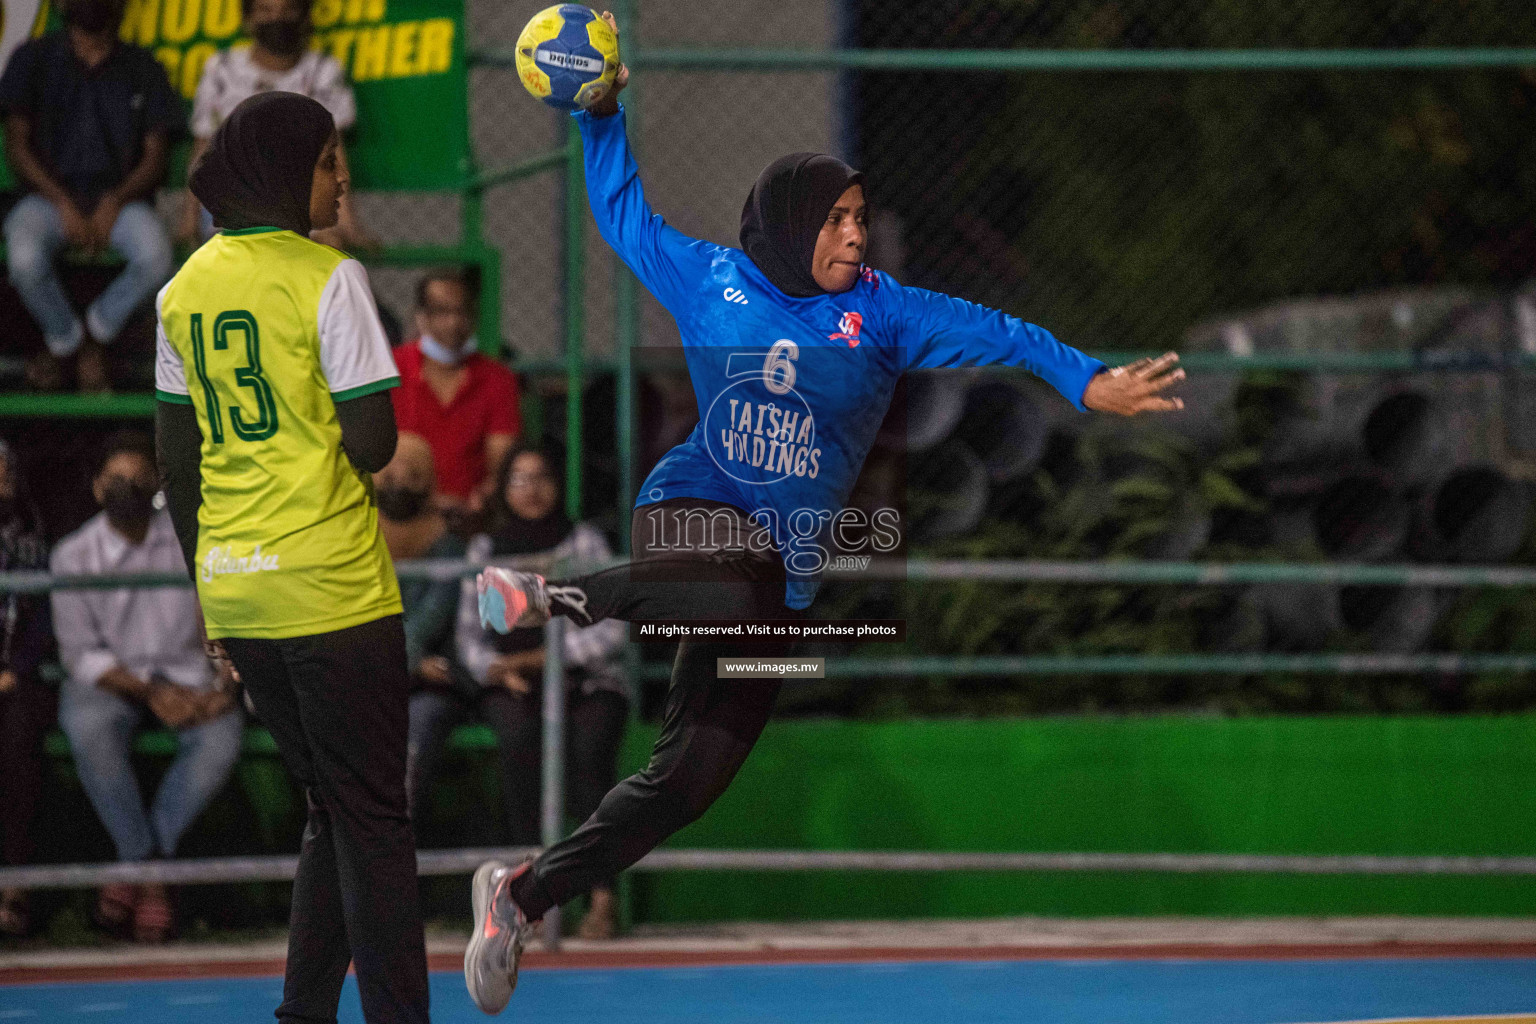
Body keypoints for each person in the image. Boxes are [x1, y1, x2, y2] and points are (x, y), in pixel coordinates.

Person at [462, 13, 1188, 1014]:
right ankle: (549, 594)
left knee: (687, 784)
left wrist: (1087, 378)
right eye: (838, 217)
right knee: (741, 564)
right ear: (792, 221)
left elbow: (1005, 330)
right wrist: (600, 114)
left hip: (775, 587)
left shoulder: (884, 312)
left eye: (861, 215)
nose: (856, 231)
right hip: (689, 517)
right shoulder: (712, 278)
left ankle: (519, 896)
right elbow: (625, 211)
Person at [154, 92, 427, 1023]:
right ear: (283, 173)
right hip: (331, 585)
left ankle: (302, 1014)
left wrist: (209, 602)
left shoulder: (180, 289)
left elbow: (177, 464)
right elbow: (375, 441)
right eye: (327, 161)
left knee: (332, 810)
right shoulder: (330, 276)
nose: (343, 178)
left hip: (237, 591)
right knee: (376, 823)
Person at [410, 444, 627, 941]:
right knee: (517, 738)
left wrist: (540, 660)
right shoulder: (487, 549)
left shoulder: (584, 542)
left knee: (591, 747)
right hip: (512, 685)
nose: (533, 490)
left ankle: (602, 897)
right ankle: (535, 898)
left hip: (584, 680)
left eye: (543, 477)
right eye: (520, 479)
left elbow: (610, 632)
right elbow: (469, 638)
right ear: (504, 489)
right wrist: (497, 669)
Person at [52, 431, 240, 943]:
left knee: (221, 740)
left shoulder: (190, 540)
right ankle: (151, 872)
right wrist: (152, 692)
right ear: (95, 488)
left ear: (158, 483)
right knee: (88, 727)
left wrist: (222, 685)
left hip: (187, 677)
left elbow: (217, 622)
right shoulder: (72, 555)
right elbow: (80, 655)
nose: (128, 487)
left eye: (138, 478)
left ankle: (134, 866)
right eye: (116, 479)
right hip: (115, 681)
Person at [0, 0, 183, 392]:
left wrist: (115, 200)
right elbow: (16, 146)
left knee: (156, 256)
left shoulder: (142, 66)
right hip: (45, 200)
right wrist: (61, 201)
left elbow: (155, 156)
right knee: (24, 257)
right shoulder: (33, 58)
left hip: (121, 201)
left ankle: (96, 334)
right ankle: (67, 341)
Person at [178, 0, 378, 251]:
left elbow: (333, 153)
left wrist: (348, 225)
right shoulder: (222, 68)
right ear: (248, 18)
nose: (277, 19)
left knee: (329, 244)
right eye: (266, 10)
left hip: (301, 196)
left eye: (288, 10)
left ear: (305, 17)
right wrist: (188, 222)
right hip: (236, 199)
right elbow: (203, 147)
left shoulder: (323, 70)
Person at [391, 268, 520, 516]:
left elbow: (501, 466)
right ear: (421, 317)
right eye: (441, 311)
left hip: (470, 519)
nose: (454, 322)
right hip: (400, 516)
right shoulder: (389, 370)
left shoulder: (497, 379)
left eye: (462, 312)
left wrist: (475, 504)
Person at [0, 440, 53, 937]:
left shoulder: (30, 535)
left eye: (8, 469)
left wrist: (15, 668)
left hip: (15, 677)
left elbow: (40, 620)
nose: (5, 477)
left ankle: (13, 887)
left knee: (18, 749)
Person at [374, 430, 464, 709]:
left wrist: (403, 663)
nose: (399, 486)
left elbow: (430, 619)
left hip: (427, 682)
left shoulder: (448, 547)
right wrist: (412, 664)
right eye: (389, 477)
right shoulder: (353, 542)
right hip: (369, 672)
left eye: (413, 477)